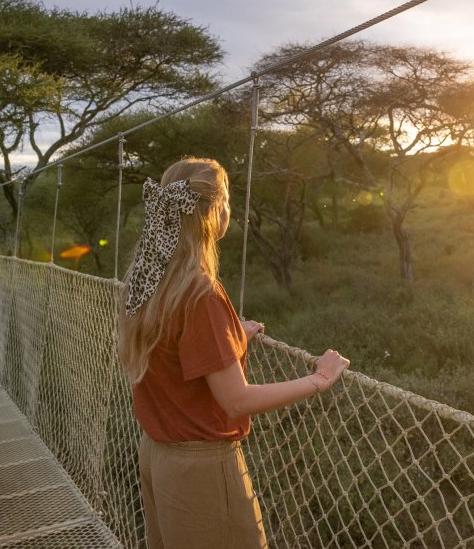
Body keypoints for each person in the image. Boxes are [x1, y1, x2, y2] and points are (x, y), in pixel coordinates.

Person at [119, 157, 350, 549]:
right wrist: (319, 379)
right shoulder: (200, 294)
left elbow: (174, 359)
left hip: (157, 455)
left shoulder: (145, 281)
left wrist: (229, 339)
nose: (230, 210)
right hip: (200, 469)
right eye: (226, 201)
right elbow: (236, 399)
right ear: (211, 212)